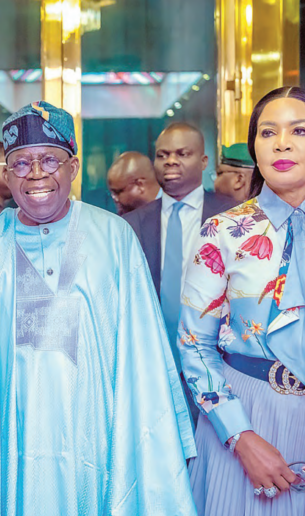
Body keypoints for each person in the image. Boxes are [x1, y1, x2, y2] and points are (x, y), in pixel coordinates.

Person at [0, 101, 196, 516]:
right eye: (21, 163)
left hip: (99, 448)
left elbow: (145, 361)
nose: (36, 174)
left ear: (73, 166)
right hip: (8, 448)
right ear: (6, 173)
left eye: (50, 159)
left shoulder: (114, 238)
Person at [178, 86, 305, 515]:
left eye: (299, 130)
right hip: (247, 416)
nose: (282, 143)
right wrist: (240, 436)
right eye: (267, 132)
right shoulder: (221, 232)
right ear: (255, 149)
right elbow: (193, 345)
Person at [122, 123, 236, 426]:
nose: (171, 161)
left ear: (203, 161)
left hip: (220, 365)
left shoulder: (235, 217)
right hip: (154, 369)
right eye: (163, 155)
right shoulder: (132, 225)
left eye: (182, 153)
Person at [106, 150, 162, 215]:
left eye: (118, 192)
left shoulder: (172, 208)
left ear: (140, 185)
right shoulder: (121, 218)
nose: (114, 198)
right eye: (112, 193)